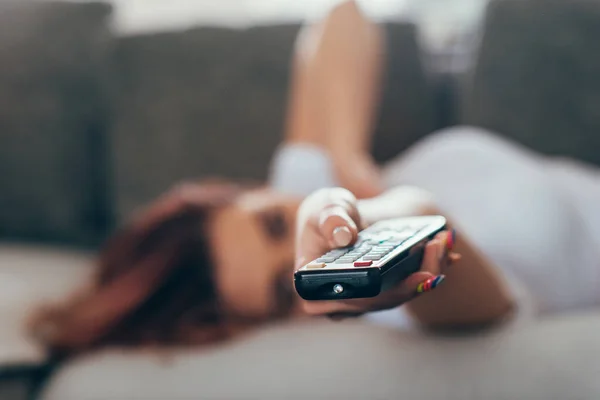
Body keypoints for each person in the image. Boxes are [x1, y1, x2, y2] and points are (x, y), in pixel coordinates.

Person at [28, 0, 600, 358]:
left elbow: (344, 16)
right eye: (286, 288)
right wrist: (380, 229)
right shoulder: (390, 304)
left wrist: (350, 164)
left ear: (253, 190)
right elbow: (437, 248)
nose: (309, 256)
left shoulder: (307, 183)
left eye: (272, 224)